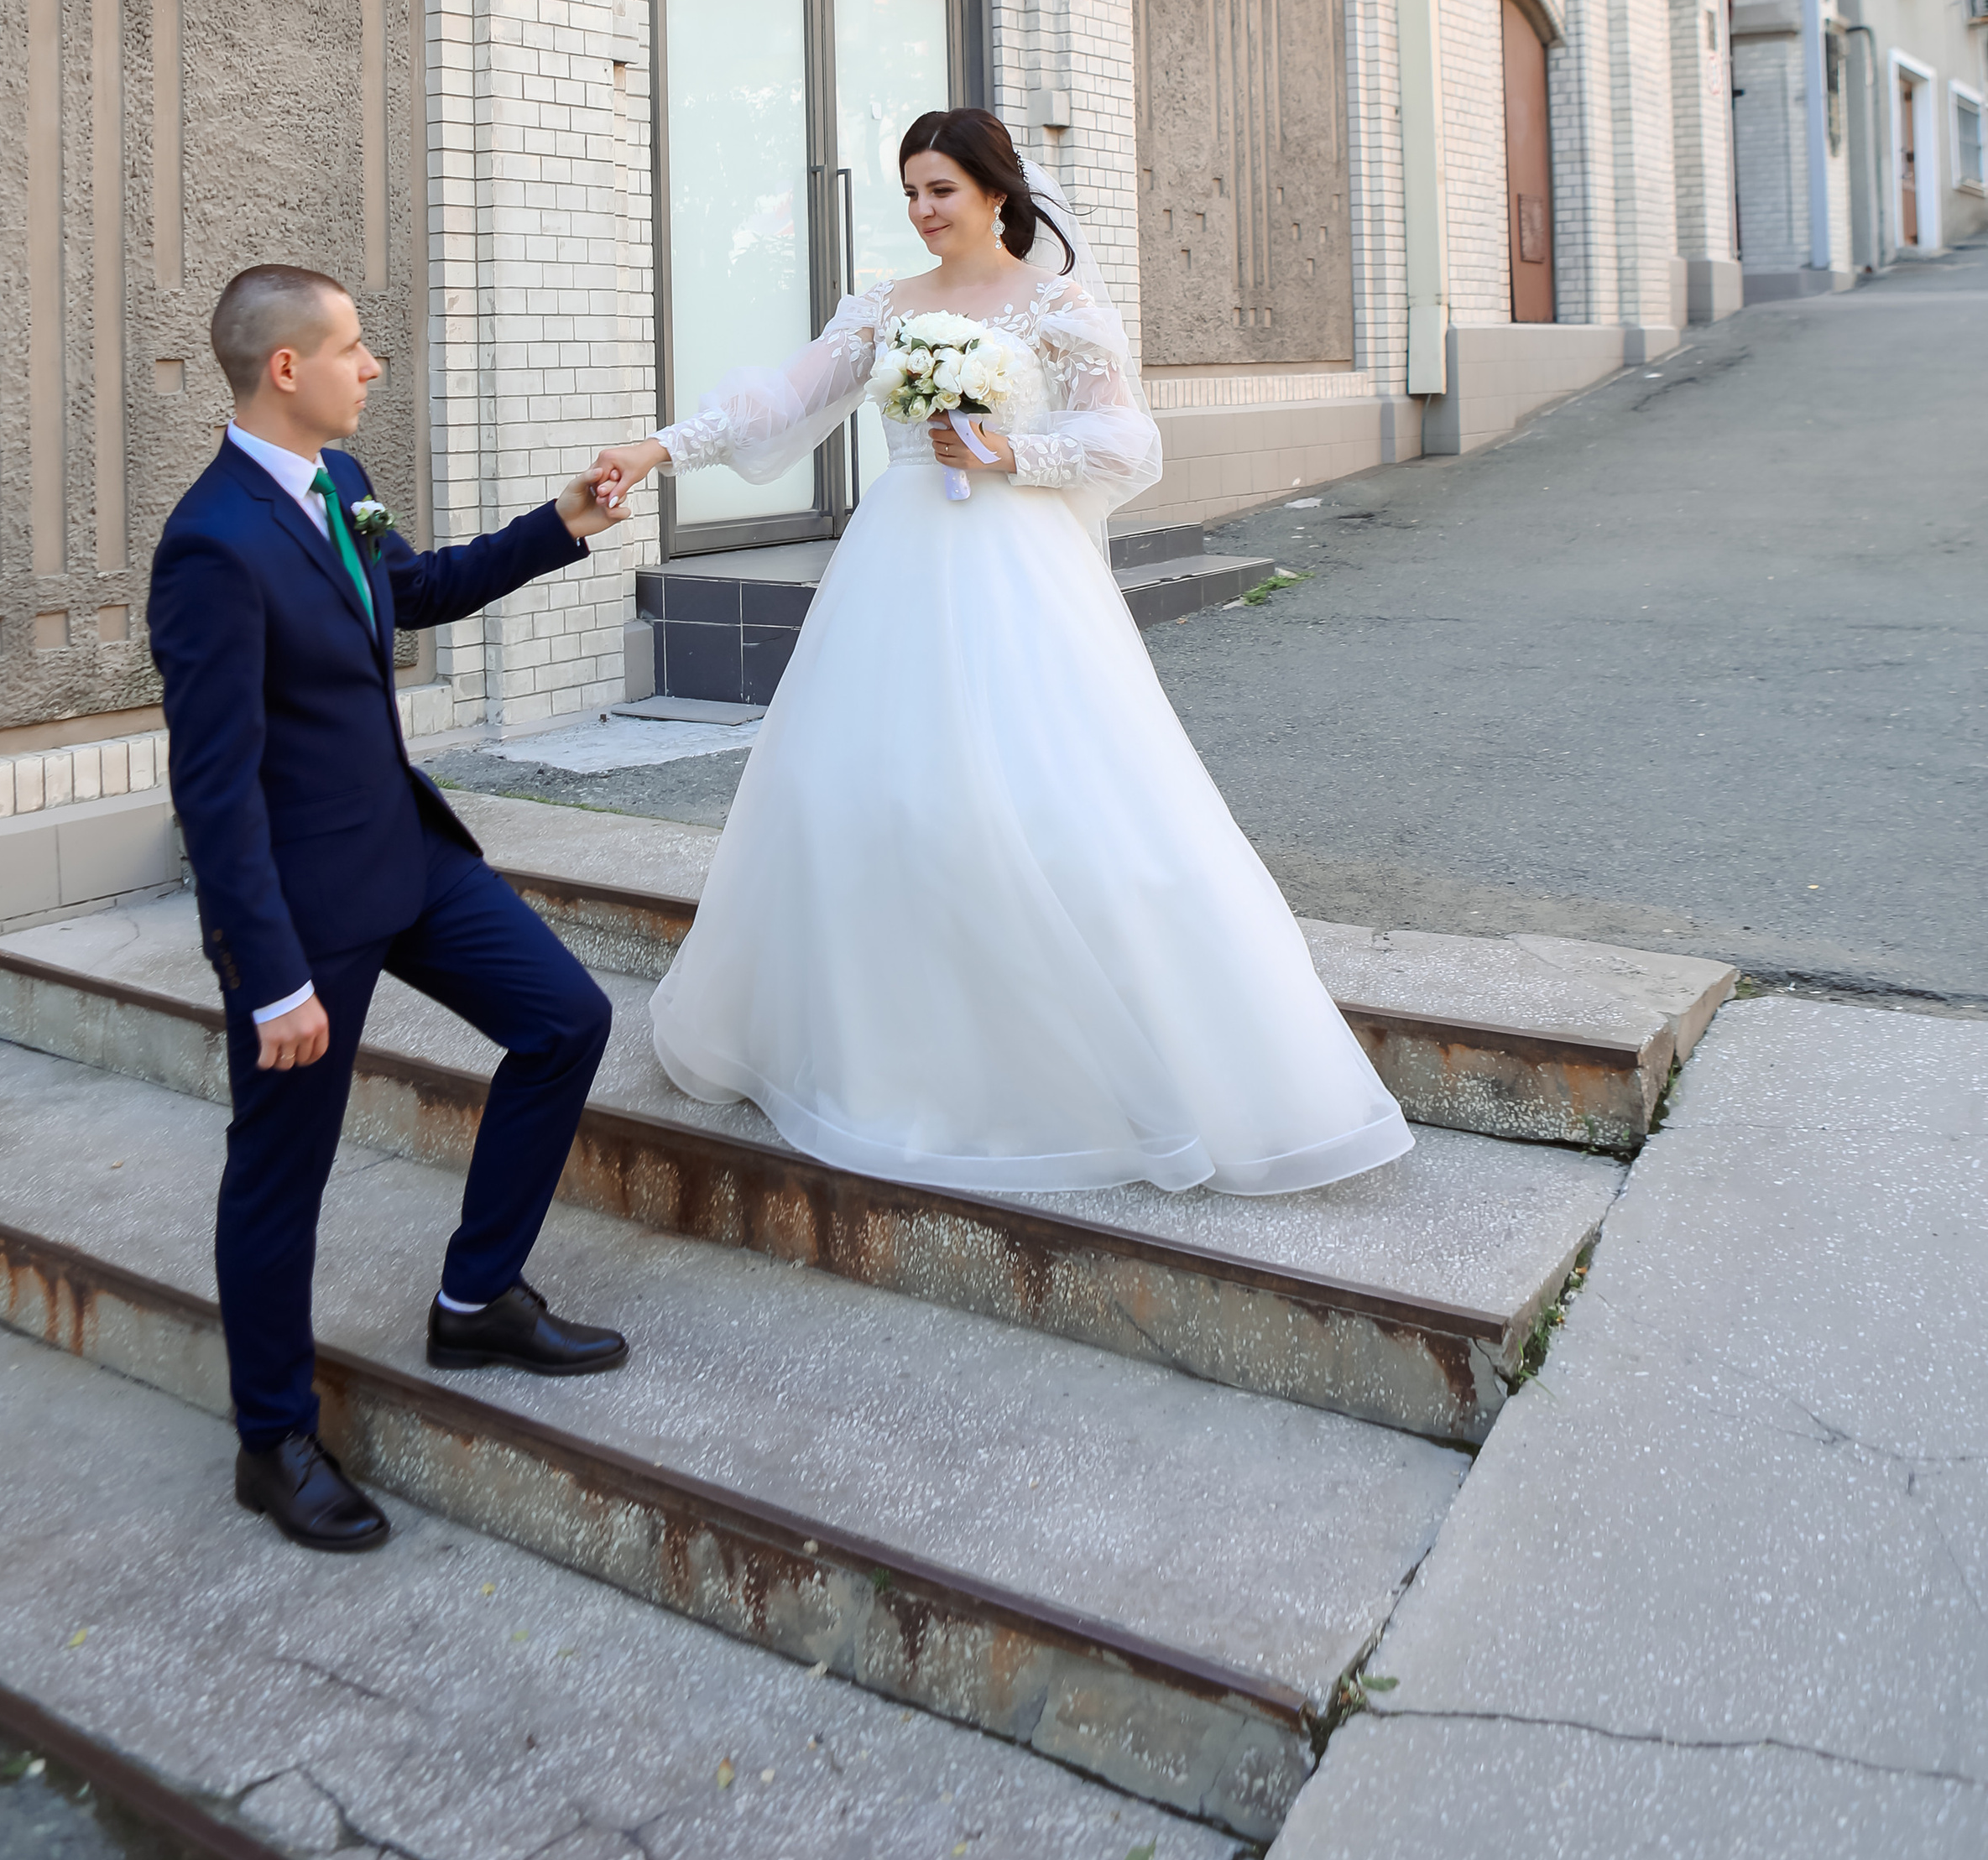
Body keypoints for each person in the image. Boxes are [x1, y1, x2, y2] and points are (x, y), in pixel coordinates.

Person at [590, 112, 1411, 1200]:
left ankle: (1091, 1062)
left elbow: (1130, 442)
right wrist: (655, 450)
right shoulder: (884, 307)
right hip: (894, 569)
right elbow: (781, 401)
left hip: (1019, 569)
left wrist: (1010, 448)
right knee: (860, 795)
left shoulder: (1057, 304)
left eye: (942, 190)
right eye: (912, 194)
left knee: (1056, 803)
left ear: (993, 192)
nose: (925, 212)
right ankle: (880, 1051)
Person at [149, 263, 628, 1556]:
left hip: (407, 856)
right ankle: (273, 1441)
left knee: (565, 1021)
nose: (375, 367)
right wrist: (267, 973)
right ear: (286, 370)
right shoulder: (210, 545)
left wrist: (561, 521)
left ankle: (477, 1298)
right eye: (355, 349)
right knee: (279, 1179)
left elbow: (410, 594)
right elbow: (215, 784)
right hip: (304, 911)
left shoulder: (342, 488)